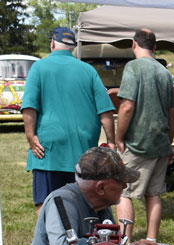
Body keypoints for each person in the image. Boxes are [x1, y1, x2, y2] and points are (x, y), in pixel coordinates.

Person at [22, 27, 116, 215]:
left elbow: (30, 107)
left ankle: (49, 234)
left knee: (46, 202)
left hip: (48, 150)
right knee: (85, 204)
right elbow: (105, 111)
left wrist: (31, 136)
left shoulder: (39, 68)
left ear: (52, 43)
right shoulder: (88, 71)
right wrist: (111, 141)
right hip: (83, 149)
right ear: (72, 47)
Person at [29, 147, 160, 245]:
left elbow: (110, 243)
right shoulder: (61, 201)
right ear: (100, 188)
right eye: (120, 181)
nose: (125, 185)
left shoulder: (103, 204)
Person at [115, 28, 174, 244]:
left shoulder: (133, 67)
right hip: (160, 143)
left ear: (134, 44)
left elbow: (127, 106)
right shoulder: (164, 72)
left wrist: (119, 138)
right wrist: (169, 142)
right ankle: (152, 241)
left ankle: (124, 242)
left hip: (138, 143)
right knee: (154, 194)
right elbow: (172, 112)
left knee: (123, 192)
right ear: (155, 47)